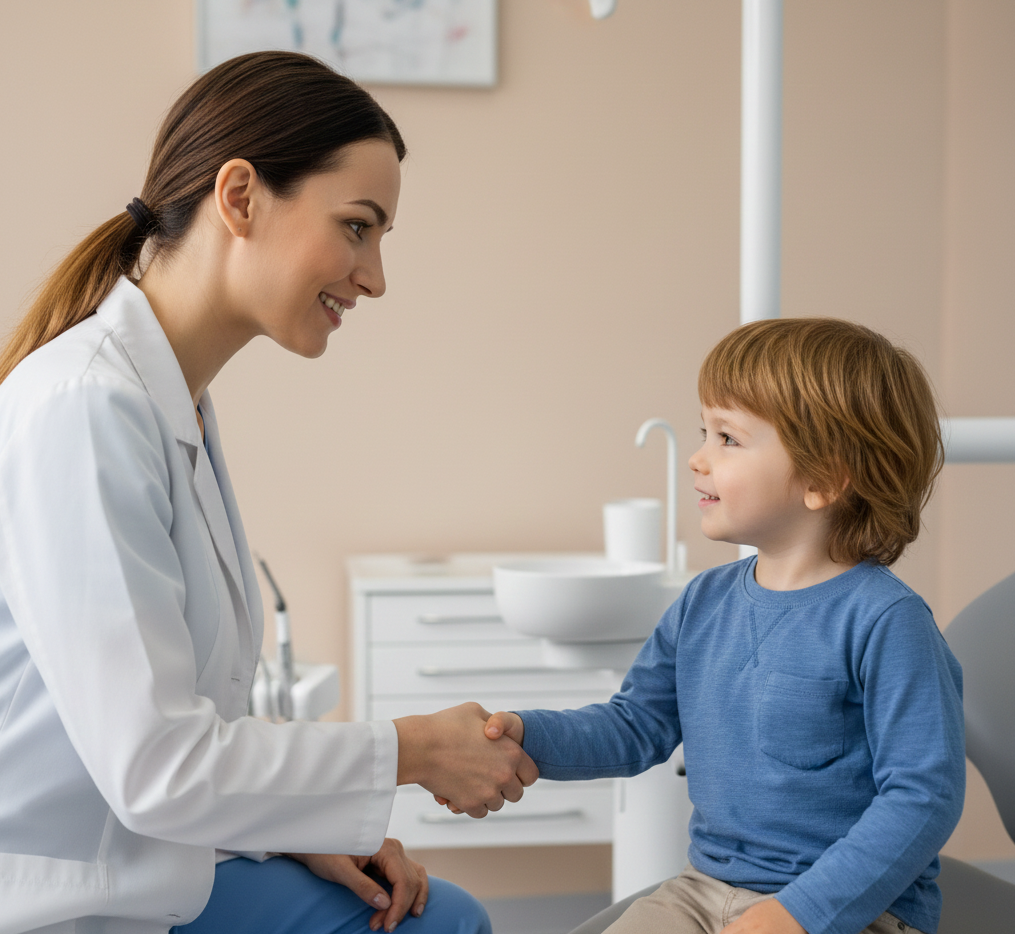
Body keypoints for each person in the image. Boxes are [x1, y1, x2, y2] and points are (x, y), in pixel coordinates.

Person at [0, 51, 536, 934]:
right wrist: (412, 750)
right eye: (357, 227)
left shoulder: (174, 405)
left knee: (443, 919)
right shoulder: (84, 408)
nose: (373, 277)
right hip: (61, 900)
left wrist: (298, 830)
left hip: (154, 865)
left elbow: (179, 734)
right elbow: (156, 768)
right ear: (239, 196)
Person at [476, 319, 965, 934]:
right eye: (704, 432)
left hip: (850, 910)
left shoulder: (887, 623)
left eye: (728, 438)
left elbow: (924, 798)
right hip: (703, 892)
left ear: (824, 478)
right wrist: (528, 736)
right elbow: (635, 725)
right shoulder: (702, 602)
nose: (699, 458)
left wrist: (797, 914)